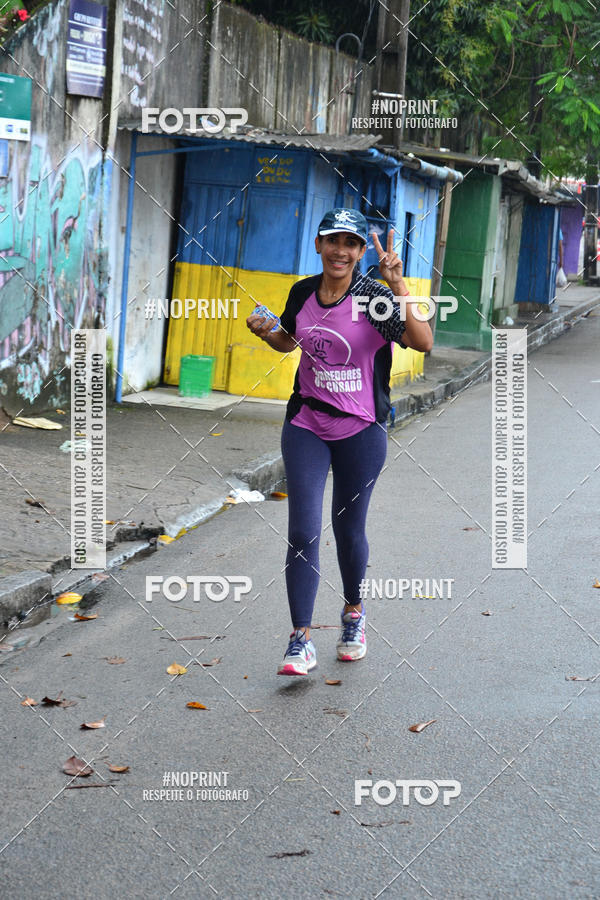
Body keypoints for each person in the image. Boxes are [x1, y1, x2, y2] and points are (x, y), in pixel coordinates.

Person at [246, 208, 433, 675]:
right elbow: (289, 341)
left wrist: (398, 286)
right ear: (318, 245)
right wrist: (267, 331)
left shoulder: (373, 297)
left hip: (362, 431)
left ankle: (353, 615)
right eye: (333, 241)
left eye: (350, 244)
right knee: (303, 531)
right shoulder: (303, 291)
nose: (341, 251)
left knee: (349, 531)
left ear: (360, 252)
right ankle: (300, 639)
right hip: (307, 423)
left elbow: (423, 341)